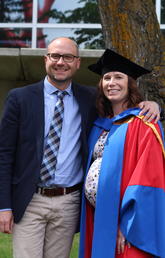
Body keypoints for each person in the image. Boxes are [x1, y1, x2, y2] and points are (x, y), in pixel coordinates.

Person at [0, 38, 161, 258]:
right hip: (31, 200)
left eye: (68, 57)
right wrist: (4, 206)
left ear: (77, 63)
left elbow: (125, 107)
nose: (61, 62)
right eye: (55, 56)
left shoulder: (89, 100)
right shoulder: (21, 98)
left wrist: (153, 104)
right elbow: (4, 155)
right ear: (45, 59)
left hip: (69, 203)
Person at [78, 49, 165, 258]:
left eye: (119, 77)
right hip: (98, 218)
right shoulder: (101, 124)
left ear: (130, 84)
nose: (111, 82)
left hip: (126, 225)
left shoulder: (143, 124)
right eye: (107, 77)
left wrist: (127, 225)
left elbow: (147, 181)